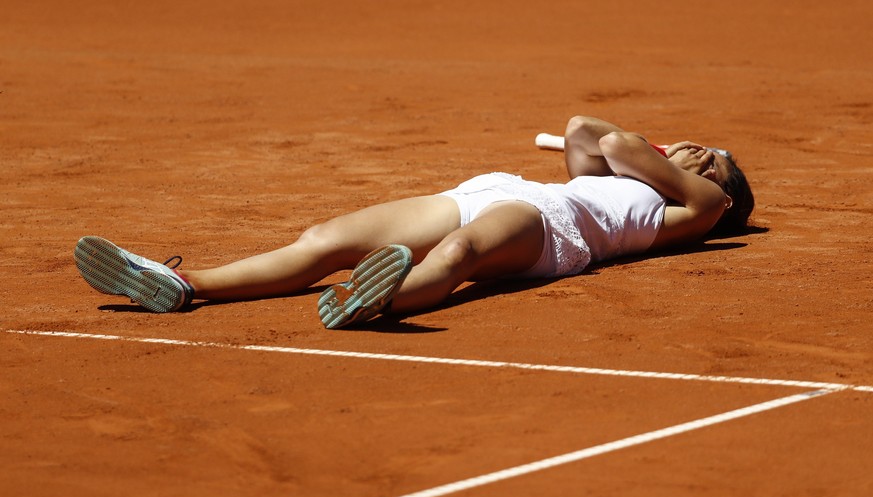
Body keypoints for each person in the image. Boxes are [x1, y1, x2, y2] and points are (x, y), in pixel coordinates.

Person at [74, 116, 754, 329]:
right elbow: (582, 130)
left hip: (554, 224)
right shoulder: (633, 179)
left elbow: (612, 147)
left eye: (711, 160)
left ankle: (375, 303)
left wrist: (659, 155)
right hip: (497, 190)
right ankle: (186, 284)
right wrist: (651, 153)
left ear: (720, 189)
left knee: (457, 257)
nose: (697, 153)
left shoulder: (698, 210)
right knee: (325, 240)